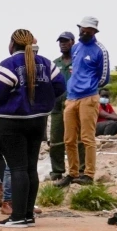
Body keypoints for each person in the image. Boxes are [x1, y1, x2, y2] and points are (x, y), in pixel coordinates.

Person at [0, 29, 68, 228]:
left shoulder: (8, 65)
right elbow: (60, 87)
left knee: (17, 168)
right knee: (30, 168)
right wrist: (42, 102)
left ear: (12, 44)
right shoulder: (46, 63)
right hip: (38, 121)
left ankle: (17, 217)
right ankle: (28, 215)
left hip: (12, 122)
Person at [59, 17, 110, 187]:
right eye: (83, 28)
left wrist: (89, 86)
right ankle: (72, 173)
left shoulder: (100, 50)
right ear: (79, 28)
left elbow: (104, 77)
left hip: (88, 97)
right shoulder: (75, 47)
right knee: (69, 138)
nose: (85, 31)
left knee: (87, 138)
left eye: (90, 29)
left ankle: (88, 174)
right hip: (71, 97)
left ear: (95, 31)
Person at [49, 32, 78, 179]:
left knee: (77, 139)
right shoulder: (54, 63)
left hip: (74, 103)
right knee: (56, 139)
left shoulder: (79, 61)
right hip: (57, 105)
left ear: (73, 42)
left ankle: (80, 170)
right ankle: (57, 171)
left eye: (66, 41)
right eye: (60, 41)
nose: (62, 44)